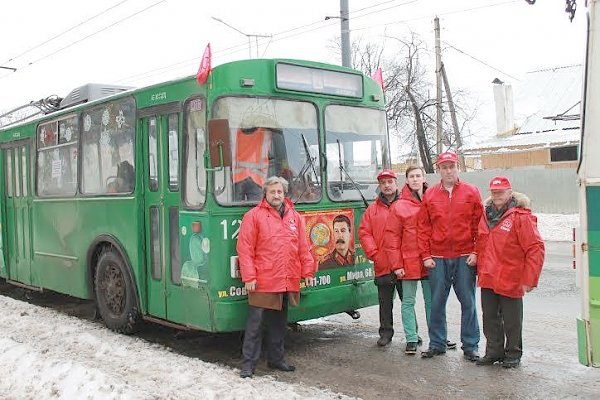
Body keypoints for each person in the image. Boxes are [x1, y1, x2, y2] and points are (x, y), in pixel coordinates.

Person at [236, 176, 316, 378]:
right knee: (255, 326)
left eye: (279, 191)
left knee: (279, 324)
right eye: (272, 192)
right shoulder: (253, 216)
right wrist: (249, 276)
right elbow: (245, 249)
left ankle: (276, 359)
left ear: (284, 193)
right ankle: (248, 365)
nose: (276, 195)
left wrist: (308, 272)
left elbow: (303, 248)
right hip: (263, 280)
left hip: (286, 279)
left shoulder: (294, 217)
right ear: (266, 194)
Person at [418, 151, 483, 361]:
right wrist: (426, 255)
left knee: (468, 302)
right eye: (444, 167)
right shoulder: (430, 195)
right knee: (437, 302)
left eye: (452, 166)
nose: (448, 170)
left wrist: (475, 252)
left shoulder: (471, 192)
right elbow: (423, 227)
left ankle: (470, 345)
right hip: (437, 257)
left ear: (458, 168)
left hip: (465, 256)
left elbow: (479, 226)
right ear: (438, 170)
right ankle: (437, 343)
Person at [384, 166, 456, 354]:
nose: (415, 179)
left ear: (424, 178)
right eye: (411, 177)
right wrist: (397, 264)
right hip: (408, 262)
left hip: (431, 260)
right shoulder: (399, 206)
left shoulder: (434, 199)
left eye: (418, 176)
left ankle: (438, 336)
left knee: (434, 301)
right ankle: (411, 338)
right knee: (408, 301)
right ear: (406, 180)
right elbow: (392, 238)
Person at [475, 176, 545, 368]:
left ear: (510, 192)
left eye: (501, 191)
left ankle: (513, 353)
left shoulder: (521, 217)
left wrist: (530, 279)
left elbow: (535, 248)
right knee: (489, 317)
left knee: (512, 319)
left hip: (510, 276)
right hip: (488, 275)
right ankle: (493, 351)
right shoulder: (485, 215)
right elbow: (481, 243)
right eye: (494, 192)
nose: (497, 195)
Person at [358, 169, 404, 347]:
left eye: (389, 181)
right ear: (380, 186)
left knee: (407, 301)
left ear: (396, 183)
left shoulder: (406, 204)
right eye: (383, 182)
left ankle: (412, 333)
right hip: (383, 263)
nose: (387, 185)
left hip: (403, 264)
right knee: (385, 302)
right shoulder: (372, 210)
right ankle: (385, 333)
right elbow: (364, 233)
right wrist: (375, 254)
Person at [233, 126, 273, 201]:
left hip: (237, 177)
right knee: (257, 210)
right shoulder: (266, 133)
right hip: (257, 178)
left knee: (234, 207)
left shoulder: (235, 131)